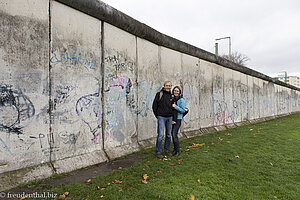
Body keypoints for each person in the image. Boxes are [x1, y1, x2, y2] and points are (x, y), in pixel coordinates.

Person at [152, 81, 174, 158]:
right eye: (167, 85)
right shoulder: (159, 94)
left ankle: (167, 150)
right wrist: (157, 115)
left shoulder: (172, 96)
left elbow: (174, 107)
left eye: (170, 86)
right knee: (161, 135)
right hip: (161, 117)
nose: (168, 87)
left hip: (170, 117)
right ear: (164, 86)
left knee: (168, 135)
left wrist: (173, 117)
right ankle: (158, 152)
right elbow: (154, 106)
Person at [171, 86, 186, 156]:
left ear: (179, 92)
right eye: (175, 91)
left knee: (174, 134)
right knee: (172, 134)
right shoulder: (172, 99)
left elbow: (183, 110)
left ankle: (177, 151)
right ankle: (175, 149)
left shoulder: (181, 100)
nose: (176, 92)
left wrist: (175, 106)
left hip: (178, 118)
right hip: (172, 118)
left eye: (177, 91)